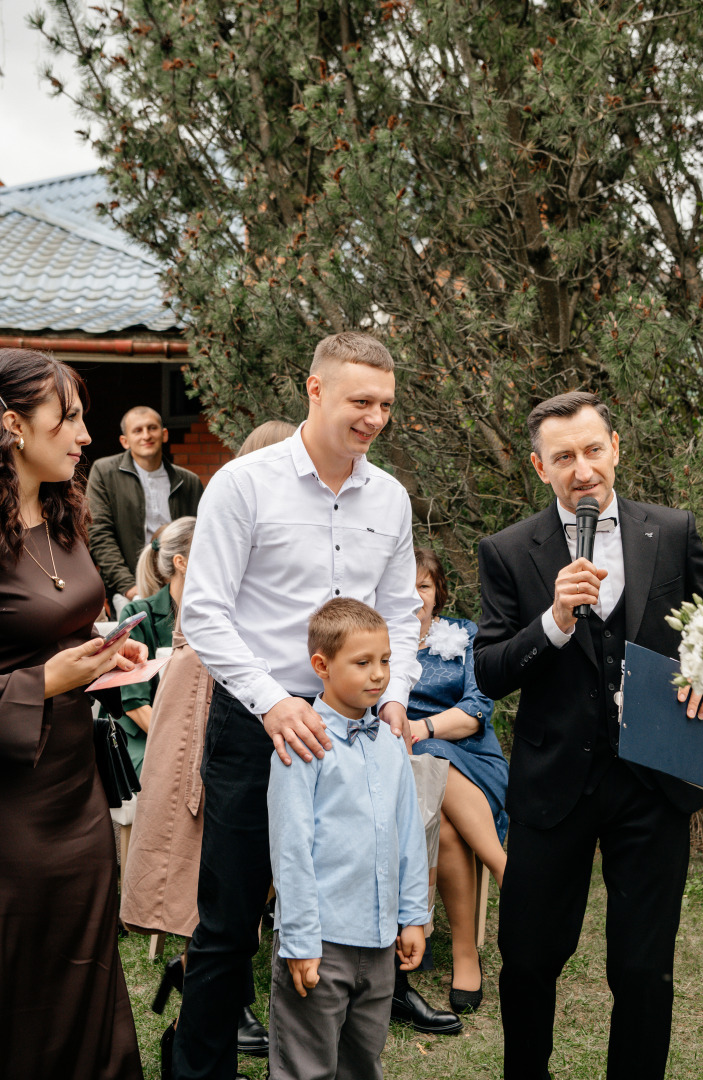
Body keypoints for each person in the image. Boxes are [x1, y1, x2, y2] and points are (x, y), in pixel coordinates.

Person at [172, 331, 426, 1080]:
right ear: (314, 391)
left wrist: (397, 697)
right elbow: (207, 613)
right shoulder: (244, 485)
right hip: (259, 729)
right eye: (360, 401)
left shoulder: (392, 497)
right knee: (228, 926)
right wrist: (273, 703)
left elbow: (403, 612)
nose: (374, 417)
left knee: (353, 912)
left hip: (359, 737)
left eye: (384, 403)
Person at [474, 391, 703, 1080]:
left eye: (592, 450)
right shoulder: (508, 551)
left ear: (616, 448)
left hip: (653, 784)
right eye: (563, 458)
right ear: (538, 466)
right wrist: (552, 619)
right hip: (554, 787)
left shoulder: (672, 531)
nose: (582, 469)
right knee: (528, 959)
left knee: (643, 968)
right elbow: (490, 672)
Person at [120, 423, 298, 1073]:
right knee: (212, 896)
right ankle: (199, 1043)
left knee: (245, 899)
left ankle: (212, 1017)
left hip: (270, 712)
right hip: (208, 709)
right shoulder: (233, 520)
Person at [0, 347, 146, 1079]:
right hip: (11, 800)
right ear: (12, 425)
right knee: (23, 969)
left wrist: (101, 651)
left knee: (88, 959)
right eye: (70, 417)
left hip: (75, 782)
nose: (86, 434)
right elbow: (29, 662)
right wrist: (43, 683)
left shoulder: (65, 514)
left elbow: (53, 625)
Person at [268, 598, 430, 1080]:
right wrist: (299, 941)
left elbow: (408, 836)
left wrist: (413, 917)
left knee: (363, 1063)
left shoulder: (389, 741)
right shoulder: (301, 743)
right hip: (322, 941)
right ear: (321, 665)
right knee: (306, 1067)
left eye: (384, 660)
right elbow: (291, 848)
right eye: (362, 663)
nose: (378, 674)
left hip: (379, 943)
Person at [394, 547, 508, 1019]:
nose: (414, 594)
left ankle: (502, 871)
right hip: (400, 762)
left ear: (437, 593)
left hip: (469, 755)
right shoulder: (376, 638)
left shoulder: (465, 636)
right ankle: (504, 884)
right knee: (440, 822)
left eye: (423, 585)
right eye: (404, 585)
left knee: (432, 761)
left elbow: (479, 709)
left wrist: (424, 729)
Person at [87, 405, 203, 607]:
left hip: (182, 589)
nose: (146, 435)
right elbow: (100, 534)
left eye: (152, 428)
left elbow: (200, 536)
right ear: (124, 441)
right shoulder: (104, 472)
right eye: (137, 430)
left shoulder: (189, 481)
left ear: (164, 434)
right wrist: (130, 587)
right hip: (130, 589)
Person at [116, 516, 196, 776]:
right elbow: (136, 707)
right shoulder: (139, 614)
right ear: (181, 563)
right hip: (141, 737)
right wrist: (188, 749)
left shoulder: (218, 617)